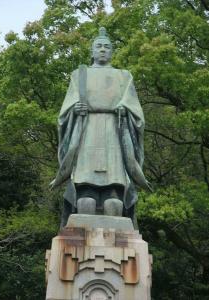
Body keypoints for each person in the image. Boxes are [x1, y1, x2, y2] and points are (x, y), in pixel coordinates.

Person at [51, 27, 151, 228]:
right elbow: (65, 112)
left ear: (112, 51)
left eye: (107, 47)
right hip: (87, 130)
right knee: (85, 201)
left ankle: (114, 193)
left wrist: (125, 109)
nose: (103, 49)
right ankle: (85, 192)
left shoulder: (124, 76)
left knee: (113, 202)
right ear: (92, 51)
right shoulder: (79, 75)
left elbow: (135, 110)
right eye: (99, 46)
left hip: (114, 131)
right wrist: (75, 109)